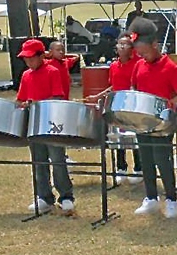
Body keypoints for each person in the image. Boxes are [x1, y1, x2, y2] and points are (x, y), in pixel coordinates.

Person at [130, 17, 177, 218]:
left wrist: (174, 101)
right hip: (142, 120)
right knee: (145, 159)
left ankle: (171, 200)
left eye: (145, 52)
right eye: (139, 53)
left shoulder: (170, 67)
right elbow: (135, 90)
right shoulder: (139, 66)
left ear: (155, 45)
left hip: (161, 122)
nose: (142, 56)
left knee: (162, 160)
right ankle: (151, 198)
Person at [16, 39, 75, 214]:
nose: (28, 62)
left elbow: (57, 97)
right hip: (33, 125)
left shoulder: (52, 71)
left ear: (41, 56)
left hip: (52, 124)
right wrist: (23, 104)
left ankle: (66, 196)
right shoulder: (26, 75)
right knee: (38, 161)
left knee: (57, 160)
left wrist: (36, 103)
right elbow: (20, 99)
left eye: (31, 58)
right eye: (25, 59)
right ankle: (43, 197)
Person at [86, 34, 142, 184]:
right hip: (117, 105)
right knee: (118, 137)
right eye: (120, 44)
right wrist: (97, 96)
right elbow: (113, 86)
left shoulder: (138, 63)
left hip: (132, 104)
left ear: (131, 48)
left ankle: (139, 169)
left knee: (134, 135)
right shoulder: (114, 66)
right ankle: (121, 168)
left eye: (126, 44)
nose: (122, 47)